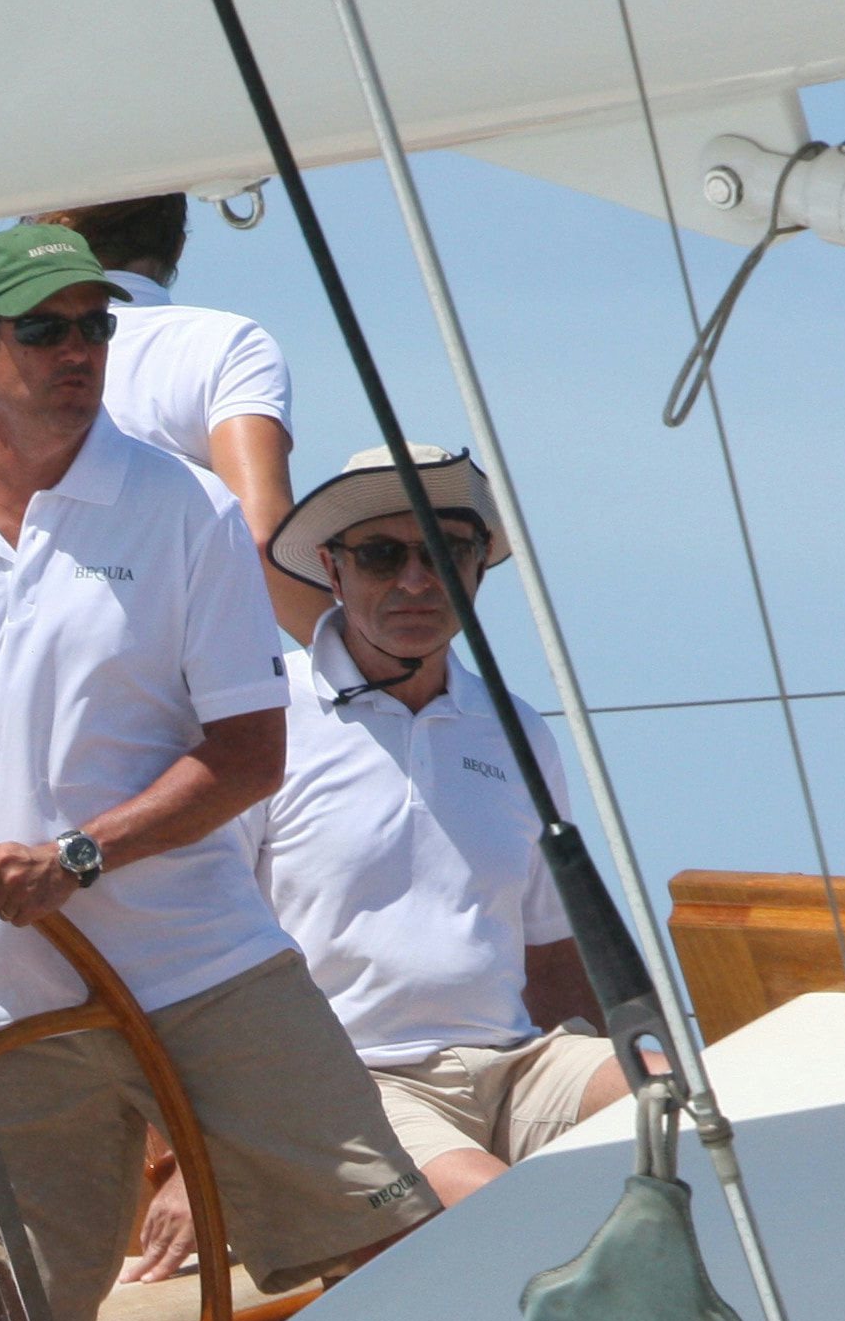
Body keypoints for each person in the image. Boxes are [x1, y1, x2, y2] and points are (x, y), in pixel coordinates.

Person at [0, 221, 433, 1315]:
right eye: (43, 330)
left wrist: (79, 857)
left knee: (393, 1248)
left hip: (204, 969)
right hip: (3, 996)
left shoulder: (187, 511)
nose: (78, 351)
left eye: (95, 327)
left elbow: (251, 756)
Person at [165, 443, 623, 1253]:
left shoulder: (518, 730)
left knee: (686, 1113)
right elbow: (195, 949)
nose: (416, 580)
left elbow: (553, 953)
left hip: (516, 1066)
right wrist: (183, 1157)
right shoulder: (268, 723)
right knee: (506, 1217)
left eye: (446, 550)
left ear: (479, 566)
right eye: (382, 555)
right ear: (333, 574)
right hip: (350, 1088)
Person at [0, 196, 312, 631]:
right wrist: (359, 665)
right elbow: (257, 537)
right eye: (45, 330)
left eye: (95, 328)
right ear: (178, 248)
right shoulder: (225, 345)